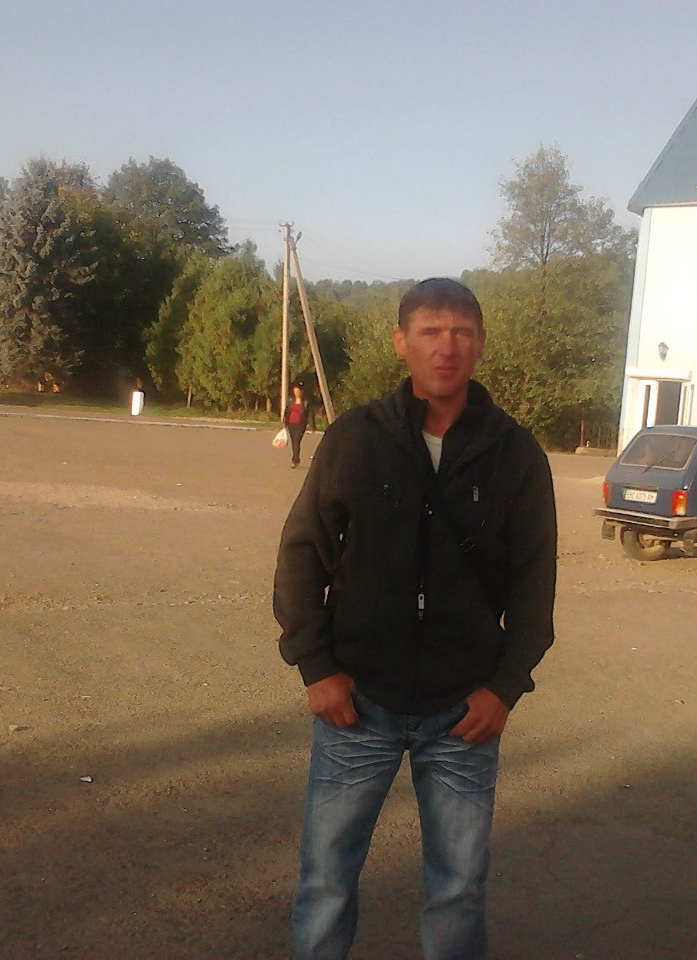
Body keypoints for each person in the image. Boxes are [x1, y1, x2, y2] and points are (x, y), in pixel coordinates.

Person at [273, 278, 558, 960]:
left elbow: (535, 585)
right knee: (326, 878)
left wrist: (504, 687)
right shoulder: (355, 438)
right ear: (401, 342)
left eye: (461, 332)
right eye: (430, 332)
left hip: (463, 711)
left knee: (459, 887)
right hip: (358, 701)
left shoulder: (514, 452)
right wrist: (317, 668)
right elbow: (302, 554)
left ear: (480, 344)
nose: (446, 347)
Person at [283, 380, 314, 468]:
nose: (296, 392)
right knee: (293, 443)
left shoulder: (305, 402)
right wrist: (284, 423)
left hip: (300, 425)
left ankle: (295, 460)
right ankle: (296, 458)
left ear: (302, 392)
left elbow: (310, 415)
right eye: (295, 391)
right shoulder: (291, 400)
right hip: (291, 424)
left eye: (298, 391)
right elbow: (286, 412)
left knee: (296, 442)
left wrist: (312, 426)